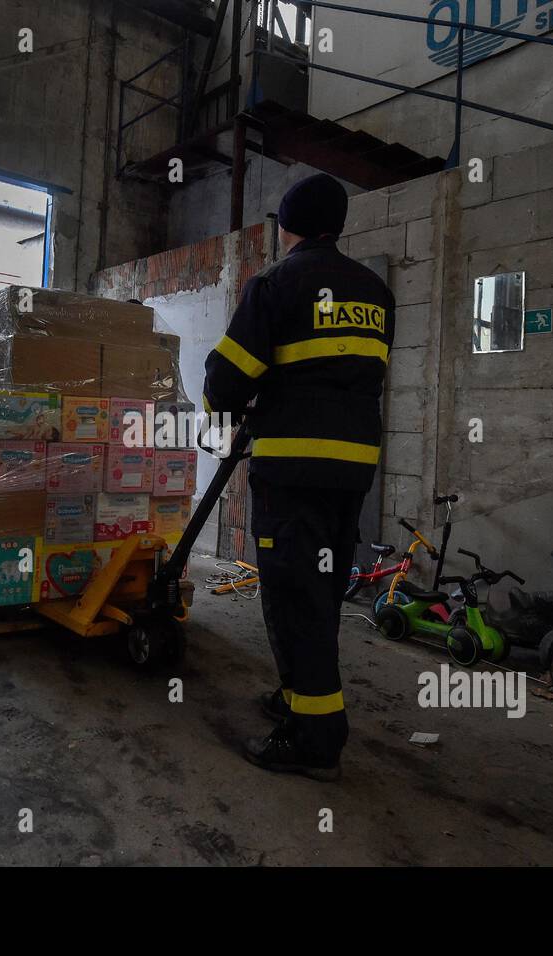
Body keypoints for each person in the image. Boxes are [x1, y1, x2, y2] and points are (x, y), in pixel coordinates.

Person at [202, 173, 396, 782]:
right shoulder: (375, 292)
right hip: (353, 471)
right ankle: (299, 696)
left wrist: (220, 413)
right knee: (321, 591)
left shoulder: (279, 284)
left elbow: (228, 381)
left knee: (292, 598)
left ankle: (315, 740)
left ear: (287, 225)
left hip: (294, 470)